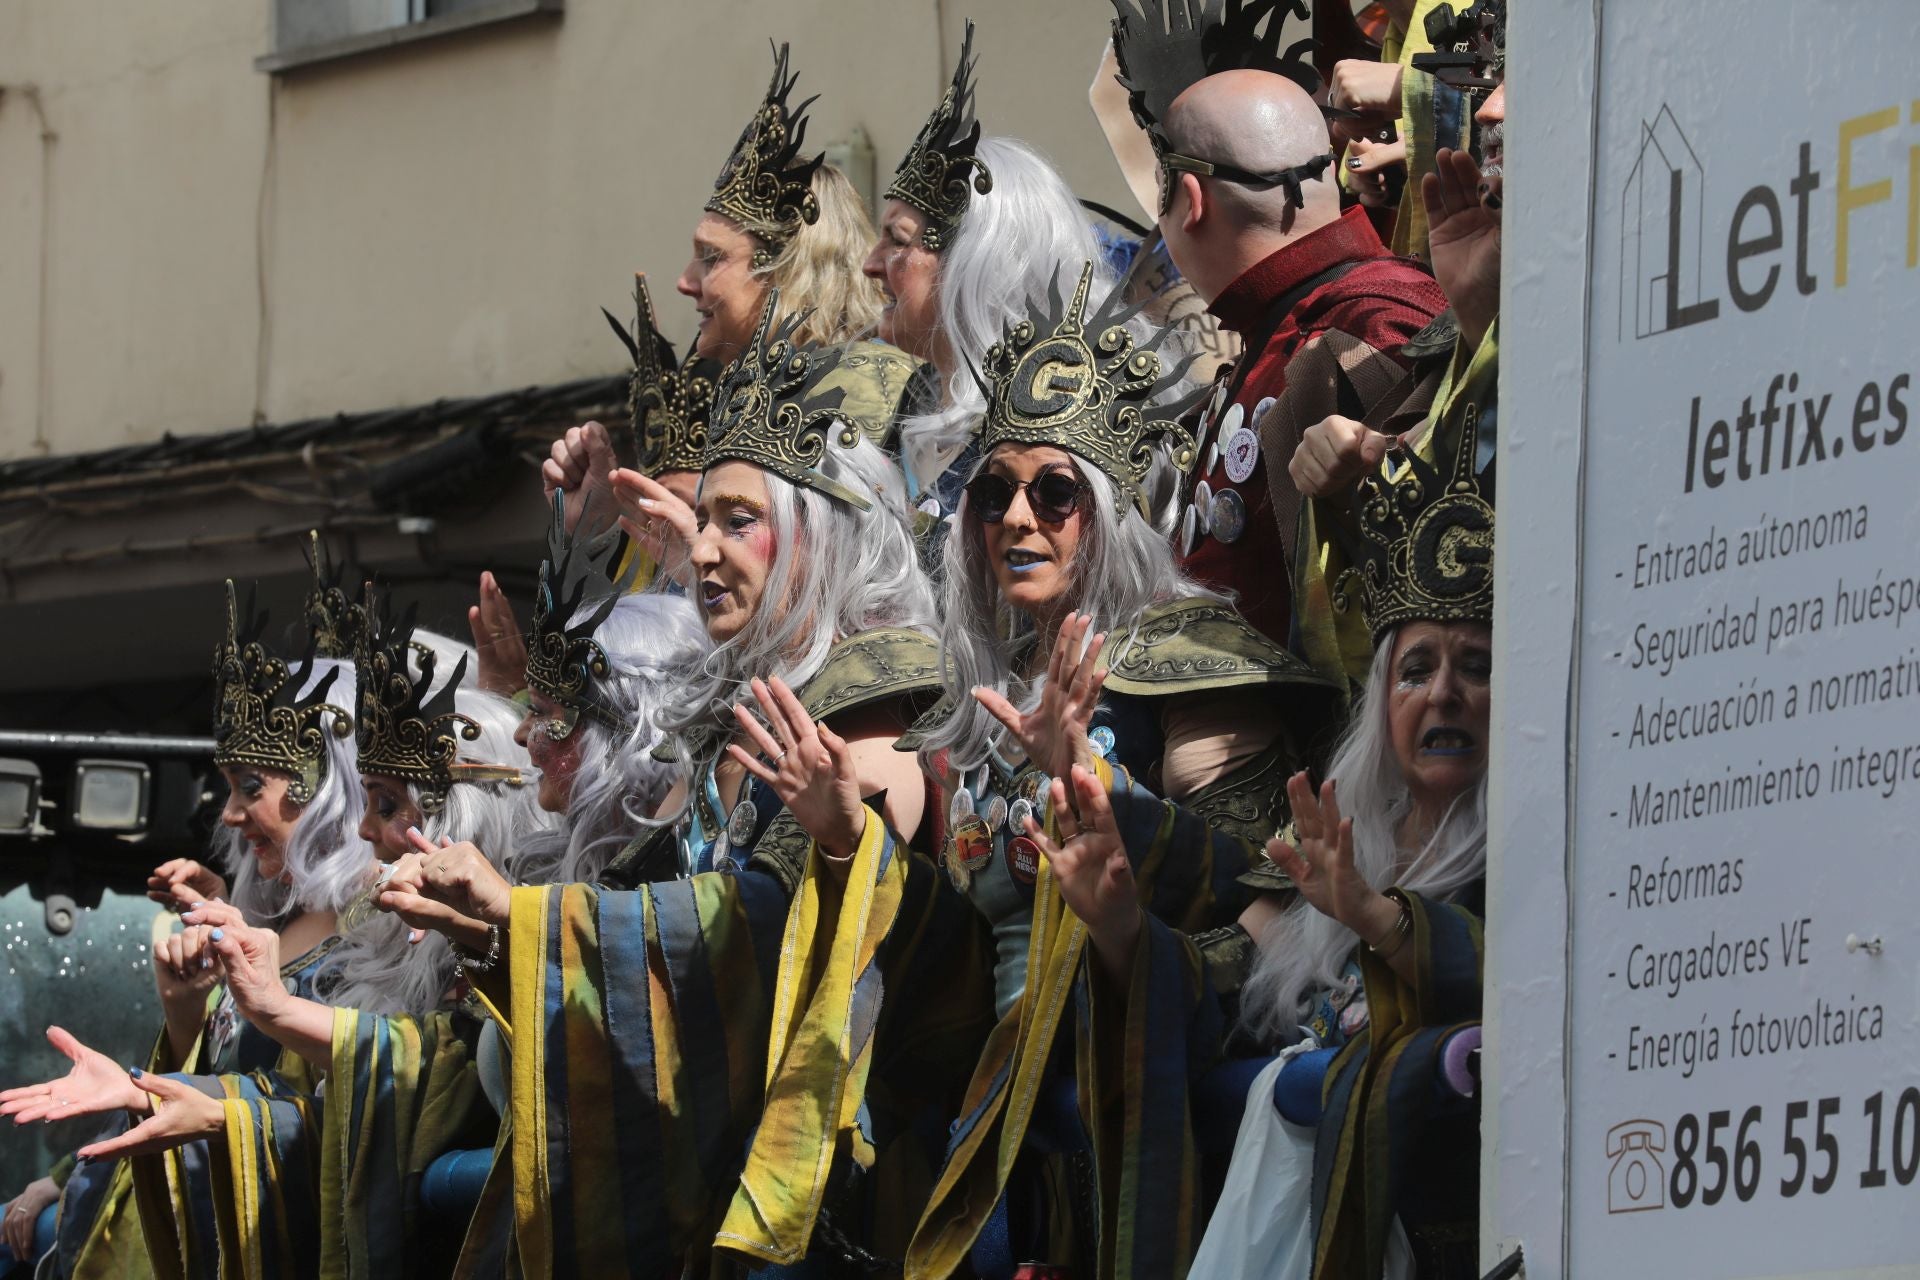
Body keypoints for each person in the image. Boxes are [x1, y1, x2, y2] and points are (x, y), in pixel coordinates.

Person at [741, 263, 1339, 1275]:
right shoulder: (974, 694)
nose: (1016, 520)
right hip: (987, 1126)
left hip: (1128, 1112)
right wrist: (850, 843)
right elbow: (956, 956)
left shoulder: (1187, 664)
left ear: (1108, 508)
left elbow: (1272, 913)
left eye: (1053, 492)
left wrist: (1106, 801)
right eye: (992, 493)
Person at [1047, 405, 1494, 1279]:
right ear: (1383, 704)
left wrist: (1376, 917)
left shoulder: (1537, 851)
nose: (1443, 694)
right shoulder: (1338, 839)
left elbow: (1515, 987)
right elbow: (1234, 985)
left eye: (1475, 665)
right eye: (1416, 668)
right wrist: (1119, 929)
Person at [1, 578, 370, 1280]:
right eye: (227, 788)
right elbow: (212, 1086)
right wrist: (183, 1006)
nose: (229, 814)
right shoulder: (267, 921)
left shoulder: (383, 929)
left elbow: (358, 1119)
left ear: (323, 791)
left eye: (248, 788)